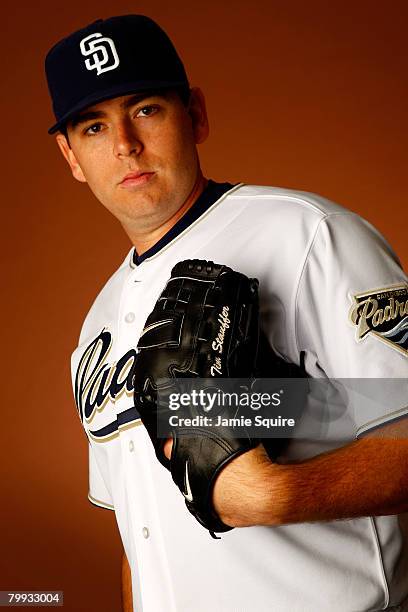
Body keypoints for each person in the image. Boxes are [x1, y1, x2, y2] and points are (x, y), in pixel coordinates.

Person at [45, 14, 408, 612]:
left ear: (196, 115)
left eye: (145, 110)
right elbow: (141, 538)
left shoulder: (308, 234)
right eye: (93, 126)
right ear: (71, 156)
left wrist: (273, 494)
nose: (124, 146)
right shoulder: (99, 324)